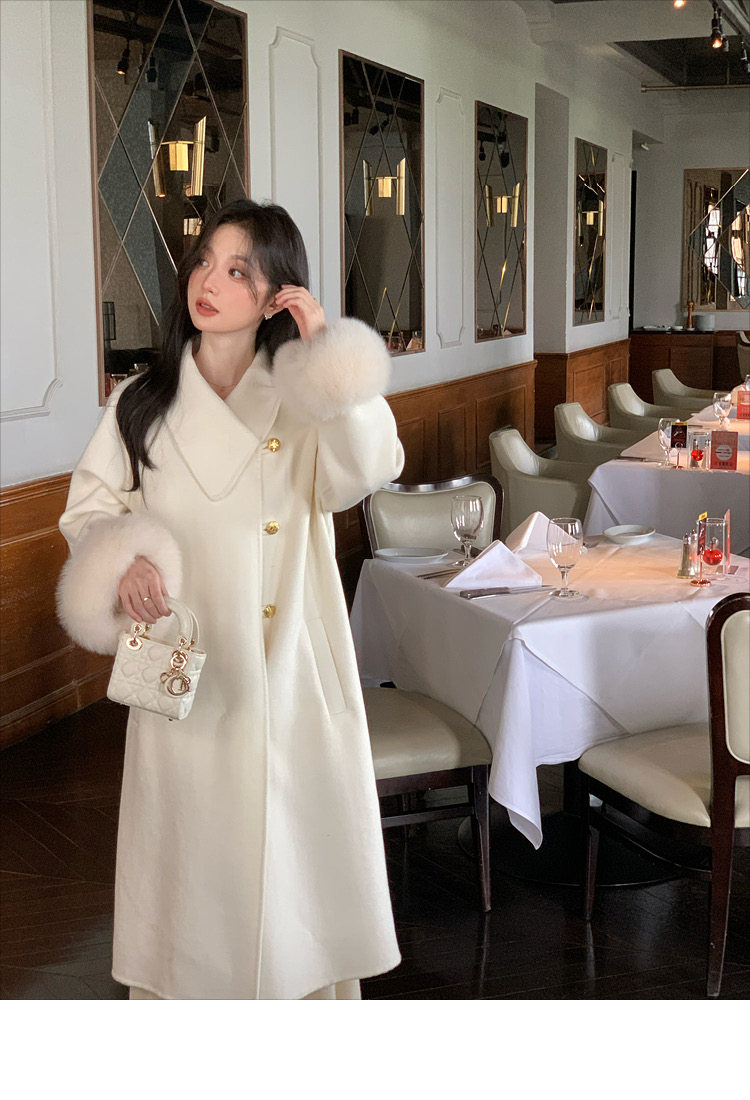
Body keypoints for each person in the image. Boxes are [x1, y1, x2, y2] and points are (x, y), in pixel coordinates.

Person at [56, 199, 404, 1000]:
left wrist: (327, 351)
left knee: (293, 881)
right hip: (186, 668)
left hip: (288, 667)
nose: (209, 281)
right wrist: (123, 563)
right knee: (193, 878)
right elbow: (90, 510)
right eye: (205, 261)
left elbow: (369, 468)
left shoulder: (303, 397)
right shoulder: (141, 401)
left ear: (278, 294)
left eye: (238, 270)